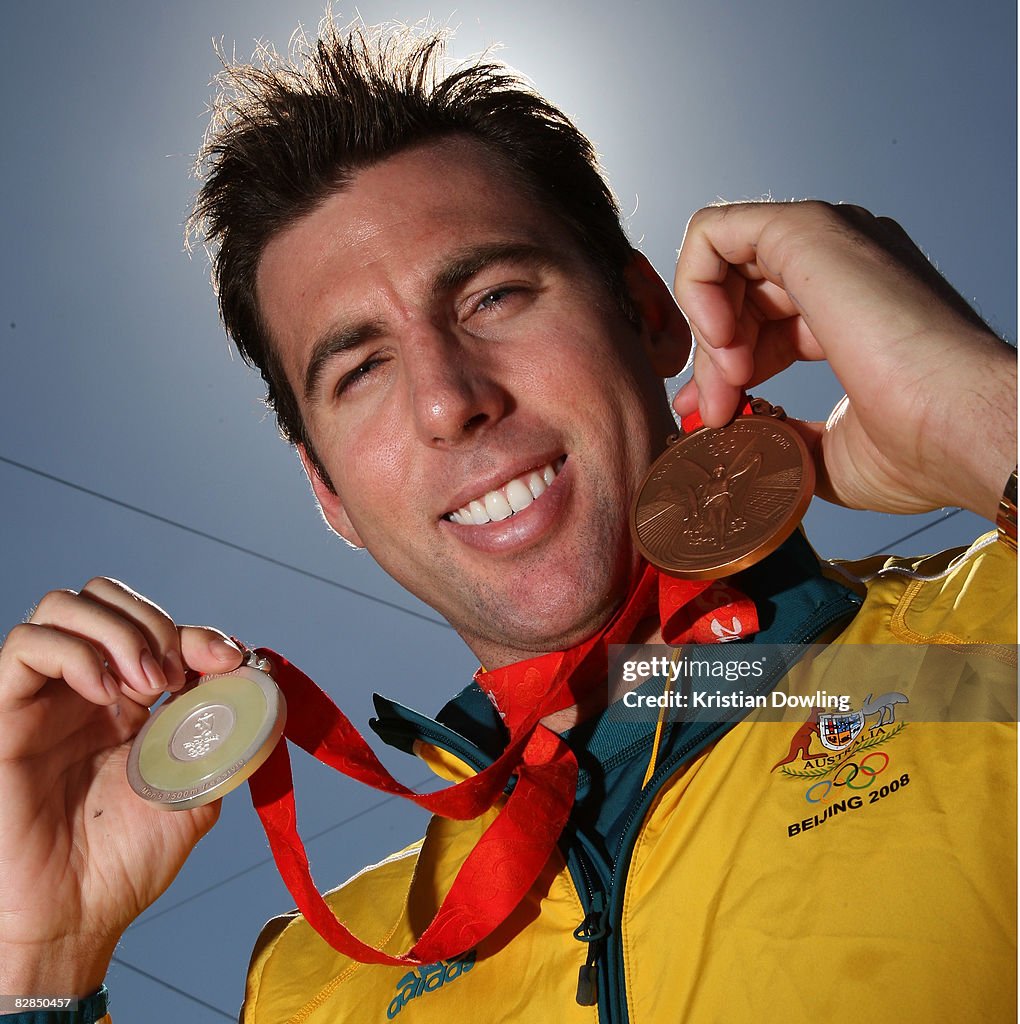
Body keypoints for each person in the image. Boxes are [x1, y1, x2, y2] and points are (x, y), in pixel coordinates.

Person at [0, 18, 1015, 1024]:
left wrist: (988, 418)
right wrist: (37, 965)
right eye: (360, 368)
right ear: (331, 496)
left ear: (651, 314)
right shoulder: (312, 979)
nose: (448, 399)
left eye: (494, 295)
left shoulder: (994, 655)